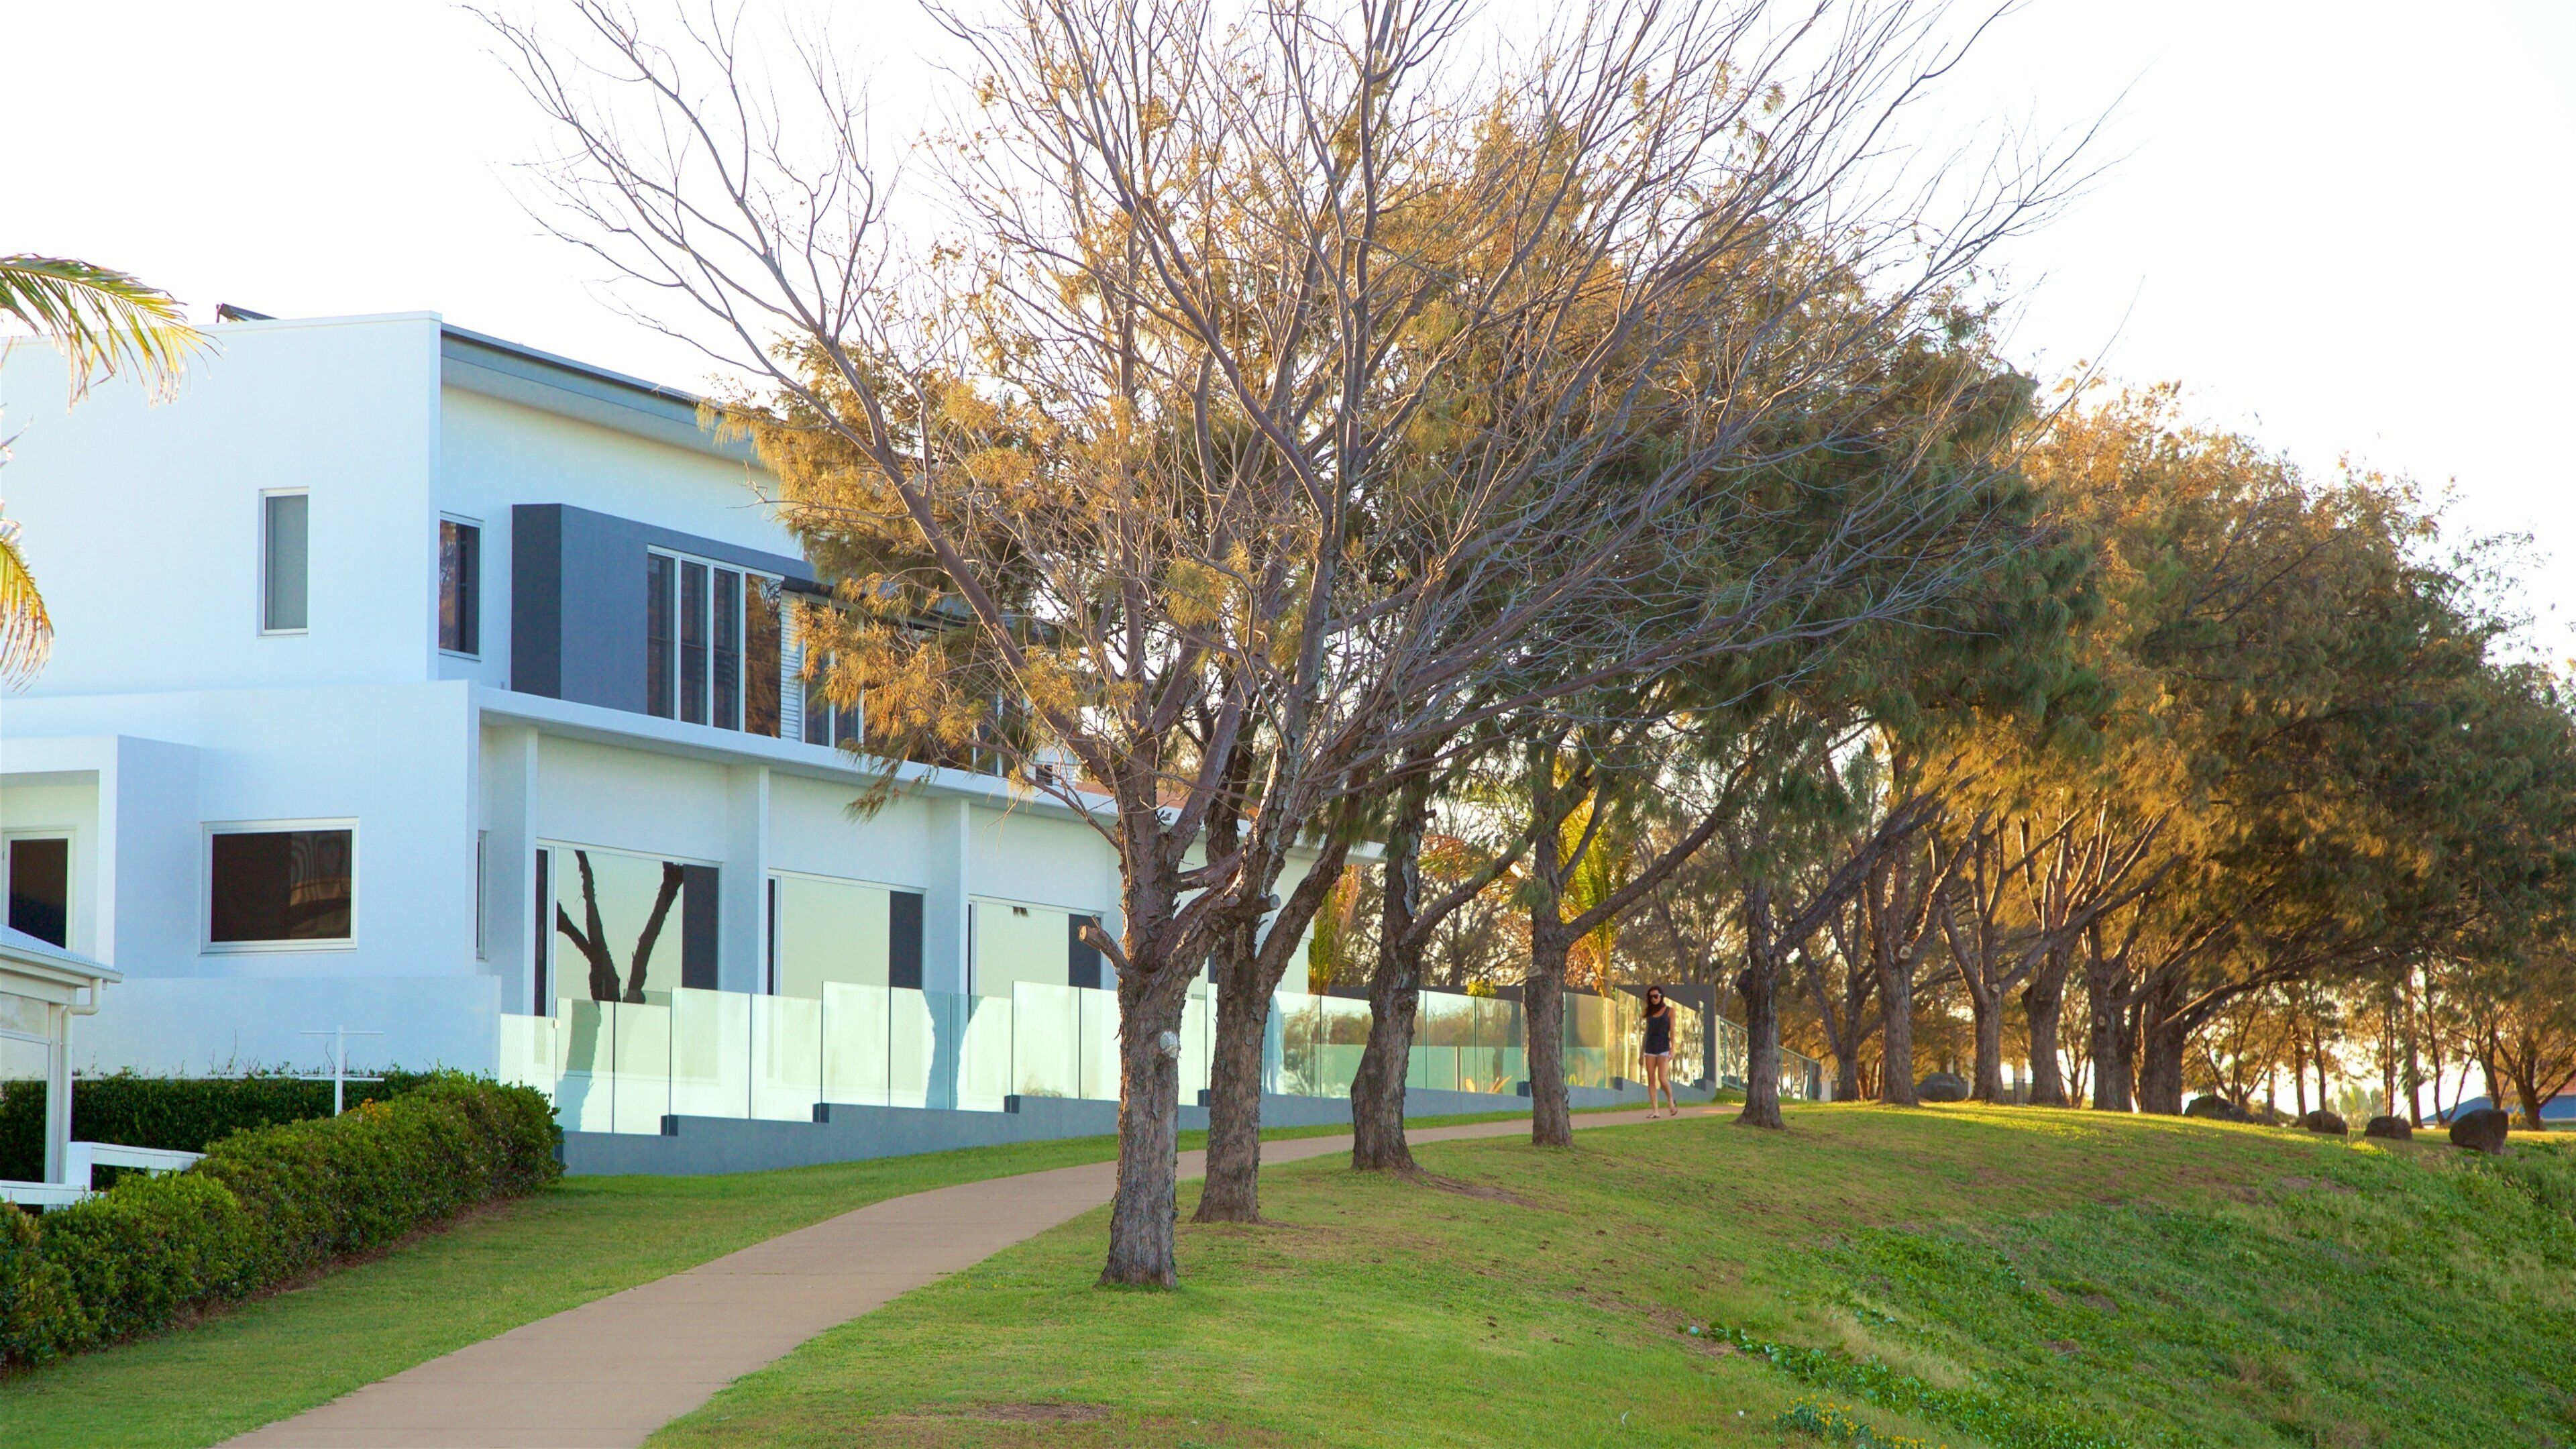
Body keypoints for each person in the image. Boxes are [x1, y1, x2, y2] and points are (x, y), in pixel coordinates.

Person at [1639, 986, 1678, 1118]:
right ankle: (1655, 1111)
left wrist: (1673, 1048)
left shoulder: (1670, 1011)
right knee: (1651, 1080)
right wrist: (1641, 1053)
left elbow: (1672, 1031)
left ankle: (1671, 1101)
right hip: (1650, 1049)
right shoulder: (1649, 1012)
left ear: (1661, 996)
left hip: (1663, 1048)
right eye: (1651, 997)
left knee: (1662, 1078)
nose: (1654, 999)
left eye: (1656, 996)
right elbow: (1646, 1033)